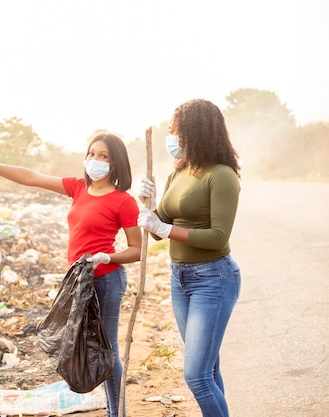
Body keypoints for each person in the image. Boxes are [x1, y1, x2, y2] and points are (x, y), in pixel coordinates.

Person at [0, 130, 141, 417]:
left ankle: (118, 414)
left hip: (106, 280)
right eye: (91, 154)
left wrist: (107, 256)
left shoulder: (123, 200)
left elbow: (137, 249)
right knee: (88, 349)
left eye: (103, 156)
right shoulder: (78, 188)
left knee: (106, 349)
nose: (95, 160)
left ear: (116, 164)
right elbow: (31, 177)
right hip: (79, 281)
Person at [137, 98, 241, 417]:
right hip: (179, 279)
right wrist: (147, 205)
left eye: (175, 131)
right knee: (208, 370)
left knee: (196, 375)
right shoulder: (177, 174)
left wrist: (165, 229)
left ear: (195, 133)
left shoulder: (221, 175)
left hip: (214, 280)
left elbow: (217, 237)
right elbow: (158, 226)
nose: (170, 138)